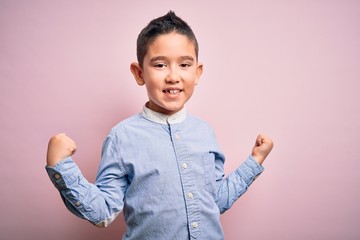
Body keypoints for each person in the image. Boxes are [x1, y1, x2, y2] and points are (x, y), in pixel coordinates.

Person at [45, 11, 273, 240]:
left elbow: (215, 202)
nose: (173, 76)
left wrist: (255, 161)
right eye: (161, 65)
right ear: (139, 73)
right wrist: (61, 167)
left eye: (184, 64)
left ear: (197, 73)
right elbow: (103, 212)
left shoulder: (205, 133)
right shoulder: (122, 137)